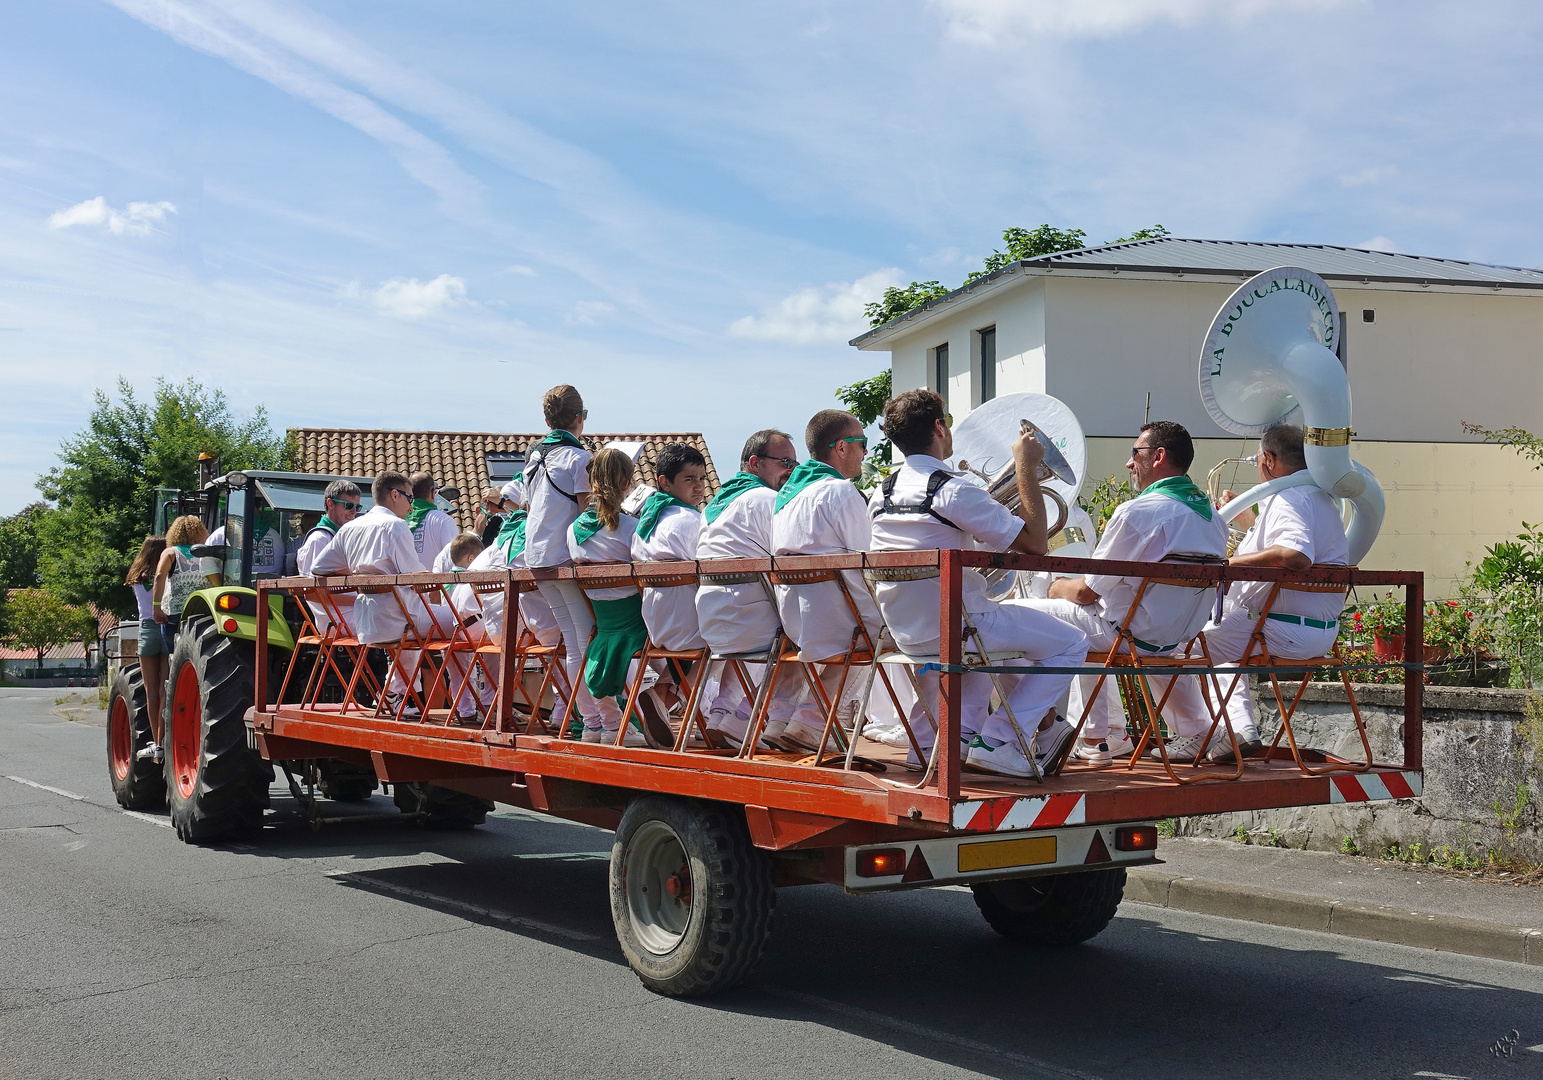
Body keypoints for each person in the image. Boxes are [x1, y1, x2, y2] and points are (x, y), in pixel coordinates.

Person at [868, 390, 1087, 776]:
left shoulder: (880, 494)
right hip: (959, 627)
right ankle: (1000, 740)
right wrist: (1023, 467)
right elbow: (1036, 544)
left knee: (986, 653)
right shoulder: (952, 490)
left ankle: (930, 746)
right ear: (939, 427)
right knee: (1072, 643)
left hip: (908, 630)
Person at [1026, 421, 1229, 764]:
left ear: (1158, 456)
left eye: (1135, 453)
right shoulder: (1214, 519)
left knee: (1018, 616)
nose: (1129, 463)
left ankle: (1062, 735)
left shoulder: (1138, 512)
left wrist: (1054, 587)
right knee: (1143, 640)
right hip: (1174, 637)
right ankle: (1191, 731)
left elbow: (1087, 593)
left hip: (1126, 635)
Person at [1164, 423, 1350, 761]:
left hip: (1276, 628)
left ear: (1268, 459)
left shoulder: (1287, 497)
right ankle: (1239, 729)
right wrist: (1249, 520)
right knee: (1222, 642)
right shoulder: (1320, 499)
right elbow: (1287, 544)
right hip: (1319, 634)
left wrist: (1230, 565)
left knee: (1164, 647)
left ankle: (1199, 734)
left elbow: (1296, 554)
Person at [770, 409, 891, 752]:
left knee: (871, 634)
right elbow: (871, 562)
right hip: (838, 621)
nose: (866, 452)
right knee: (907, 630)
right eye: (862, 443)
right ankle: (811, 721)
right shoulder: (839, 491)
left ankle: (790, 720)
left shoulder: (785, 498)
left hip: (795, 620)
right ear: (840, 448)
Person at [695, 428, 801, 748]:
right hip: (751, 622)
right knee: (824, 635)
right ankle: (752, 718)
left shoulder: (713, 507)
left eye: (795, 464)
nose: (792, 471)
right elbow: (793, 560)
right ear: (755, 462)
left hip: (711, 622)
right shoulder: (769, 500)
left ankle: (721, 712)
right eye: (785, 462)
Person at [311, 470, 438, 719]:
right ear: (394, 495)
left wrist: (359, 573)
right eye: (410, 498)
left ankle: (395, 692)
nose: (412, 506)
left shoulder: (350, 528)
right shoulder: (396, 526)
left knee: (423, 627)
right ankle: (475, 704)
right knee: (464, 622)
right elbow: (416, 578)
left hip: (366, 623)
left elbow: (318, 568)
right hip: (400, 620)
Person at [524, 384, 608, 734]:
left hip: (537, 557)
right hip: (564, 558)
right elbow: (586, 516)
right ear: (580, 418)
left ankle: (591, 721)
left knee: (572, 642)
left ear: (547, 419)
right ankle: (599, 721)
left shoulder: (534, 458)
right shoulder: (578, 459)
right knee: (583, 640)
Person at [568, 448, 648, 745]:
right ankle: (664, 700)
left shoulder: (571, 531)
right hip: (639, 626)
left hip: (602, 627)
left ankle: (611, 724)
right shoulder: (632, 528)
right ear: (627, 483)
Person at [630, 443, 710, 734]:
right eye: (690, 479)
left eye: (701, 478)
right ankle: (727, 716)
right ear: (664, 482)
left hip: (656, 627)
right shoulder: (690, 522)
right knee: (739, 637)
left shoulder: (644, 524)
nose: (699, 486)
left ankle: (663, 701)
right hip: (691, 627)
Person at [296, 480, 364, 632]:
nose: (354, 511)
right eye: (348, 505)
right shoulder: (319, 539)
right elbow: (312, 594)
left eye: (357, 507)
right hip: (336, 620)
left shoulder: (338, 537)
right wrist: (361, 601)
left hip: (350, 615)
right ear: (330, 503)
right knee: (402, 623)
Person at [124, 535, 168, 762]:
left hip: (147, 630)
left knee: (150, 691)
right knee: (164, 690)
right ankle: (163, 741)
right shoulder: (168, 574)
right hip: (166, 626)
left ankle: (154, 741)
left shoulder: (136, 576)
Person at [152, 516, 219, 658]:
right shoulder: (208, 552)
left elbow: (159, 576)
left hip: (176, 612)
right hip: (204, 610)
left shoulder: (170, 553)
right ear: (200, 532)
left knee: (175, 656)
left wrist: (156, 606)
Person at [407, 472, 460, 570]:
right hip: (434, 584)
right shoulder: (444, 521)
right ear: (432, 492)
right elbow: (454, 559)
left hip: (401, 584)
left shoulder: (399, 521)